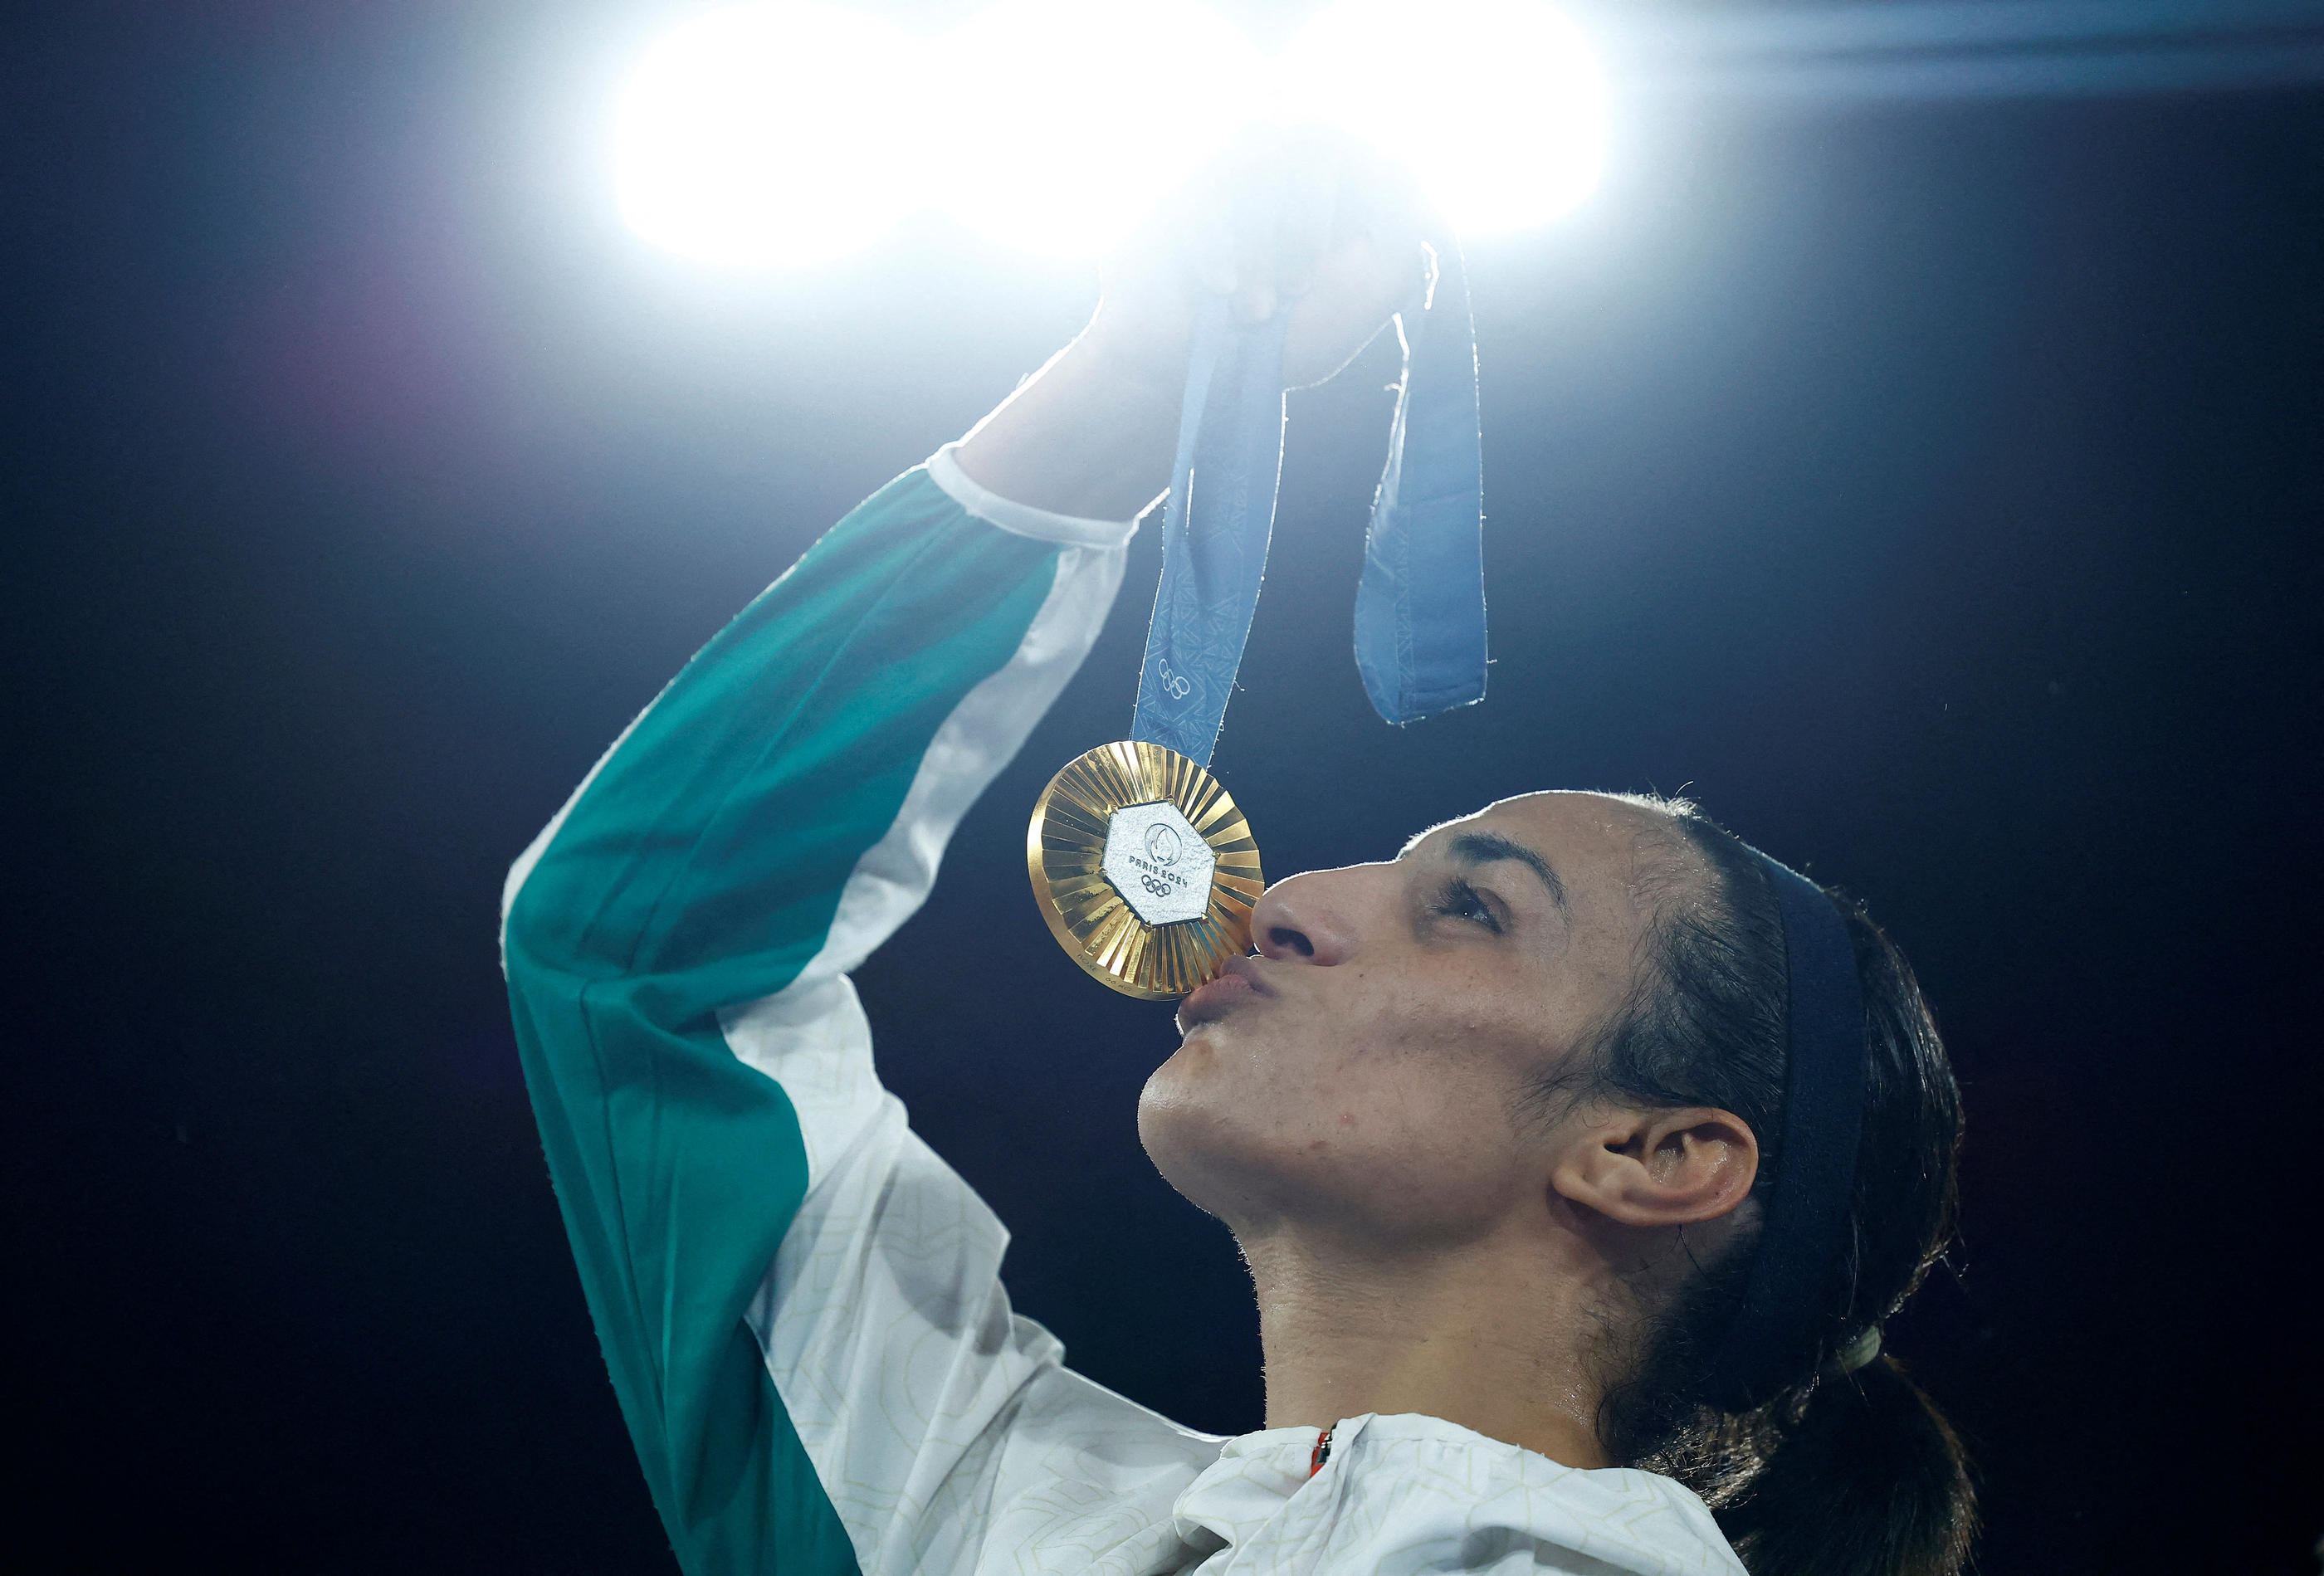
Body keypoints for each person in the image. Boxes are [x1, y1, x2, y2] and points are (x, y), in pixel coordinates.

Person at [500, 136, 1975, 1576]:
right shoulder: (984, 1518)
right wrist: (1123, 406)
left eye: (1469, 908)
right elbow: (642, 959)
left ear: (1654, 1157)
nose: (1281, 903)